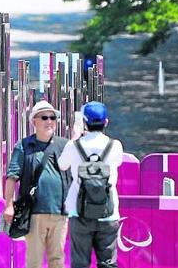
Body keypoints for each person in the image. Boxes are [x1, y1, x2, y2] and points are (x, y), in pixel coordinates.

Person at [3, 100, 71, 268]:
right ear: (34, 121)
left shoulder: (65, 145)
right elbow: (12, 177)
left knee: (57, 260)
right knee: (34, 262)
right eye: (44, 117)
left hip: (60, 212)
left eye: (53, 117)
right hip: (33, 213)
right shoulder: (24, 145)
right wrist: (9, 205)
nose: (49, 121)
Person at [58, 101, 124, 268]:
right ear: (106, 122)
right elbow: (118, 162)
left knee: (80, 263)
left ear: (84, 123)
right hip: (108, 212)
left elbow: (62, 165)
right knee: (108, 263)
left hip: (79, 212)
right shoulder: (115, 146)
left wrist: (74, 137)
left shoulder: (74, 146)